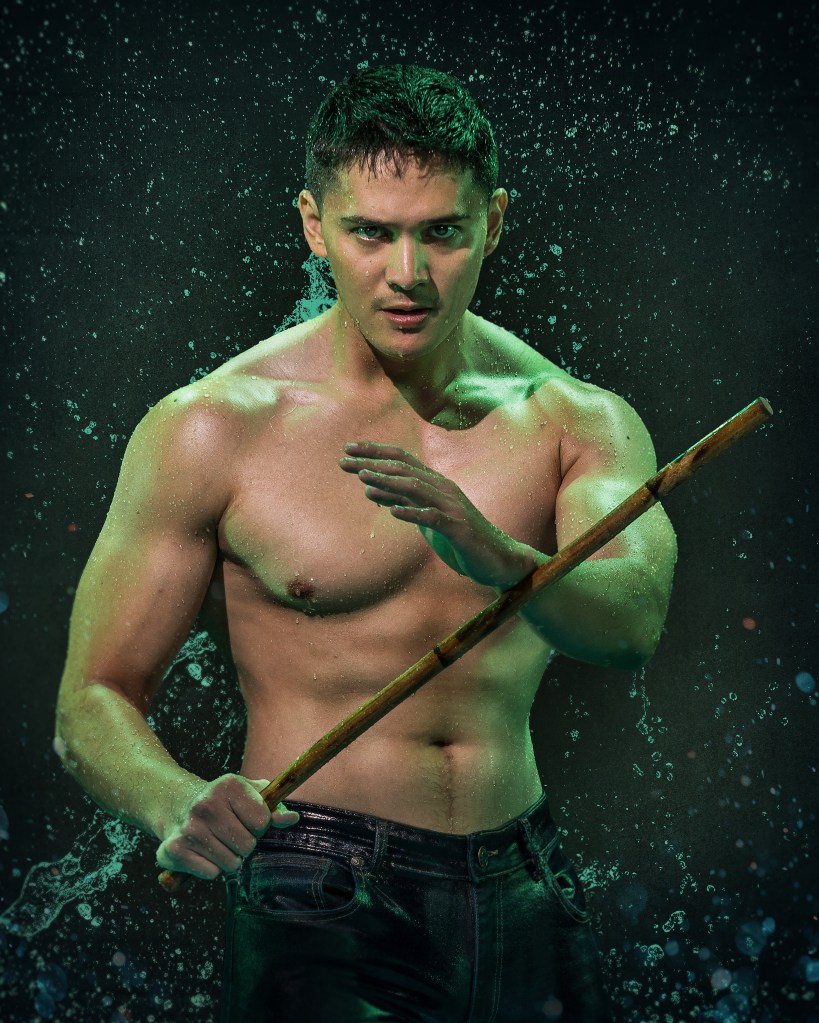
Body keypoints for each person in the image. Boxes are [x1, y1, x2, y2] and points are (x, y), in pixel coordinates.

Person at [55, 64, 677, 1022]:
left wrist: (500, 559)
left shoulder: (573, 418)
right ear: (315, 226)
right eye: (371, 233)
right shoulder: (213, 427)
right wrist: (169, 796)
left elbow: (630, 626)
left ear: (493, 222)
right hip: (316, 883)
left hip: (525, 877)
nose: (408, 273)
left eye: (442, 232)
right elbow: (92, 699)